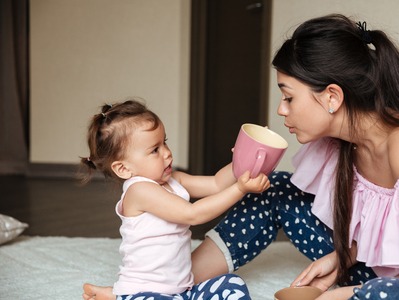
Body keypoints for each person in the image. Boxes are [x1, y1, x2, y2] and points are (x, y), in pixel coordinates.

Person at [84, 14, 399, 300]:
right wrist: (343, 257)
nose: (280, 110)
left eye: (289, 96)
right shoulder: (348, 143)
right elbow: (380, 225)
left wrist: (350, 291)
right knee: (273, 189)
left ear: (333, 97)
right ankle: (174, 283)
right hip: (366, 265)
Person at [80, 99, 270, 300]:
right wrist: (240, 189)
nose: (167, 153)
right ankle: (119, 296)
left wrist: (242, 160)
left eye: (165, 142)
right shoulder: (139, 190)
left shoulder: (174, 180)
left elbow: (216, 184)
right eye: (155, 150)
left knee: (233, 283)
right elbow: (193, 214)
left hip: (183, 289)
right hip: (146, 293)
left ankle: (113, 294)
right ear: (124, 169)